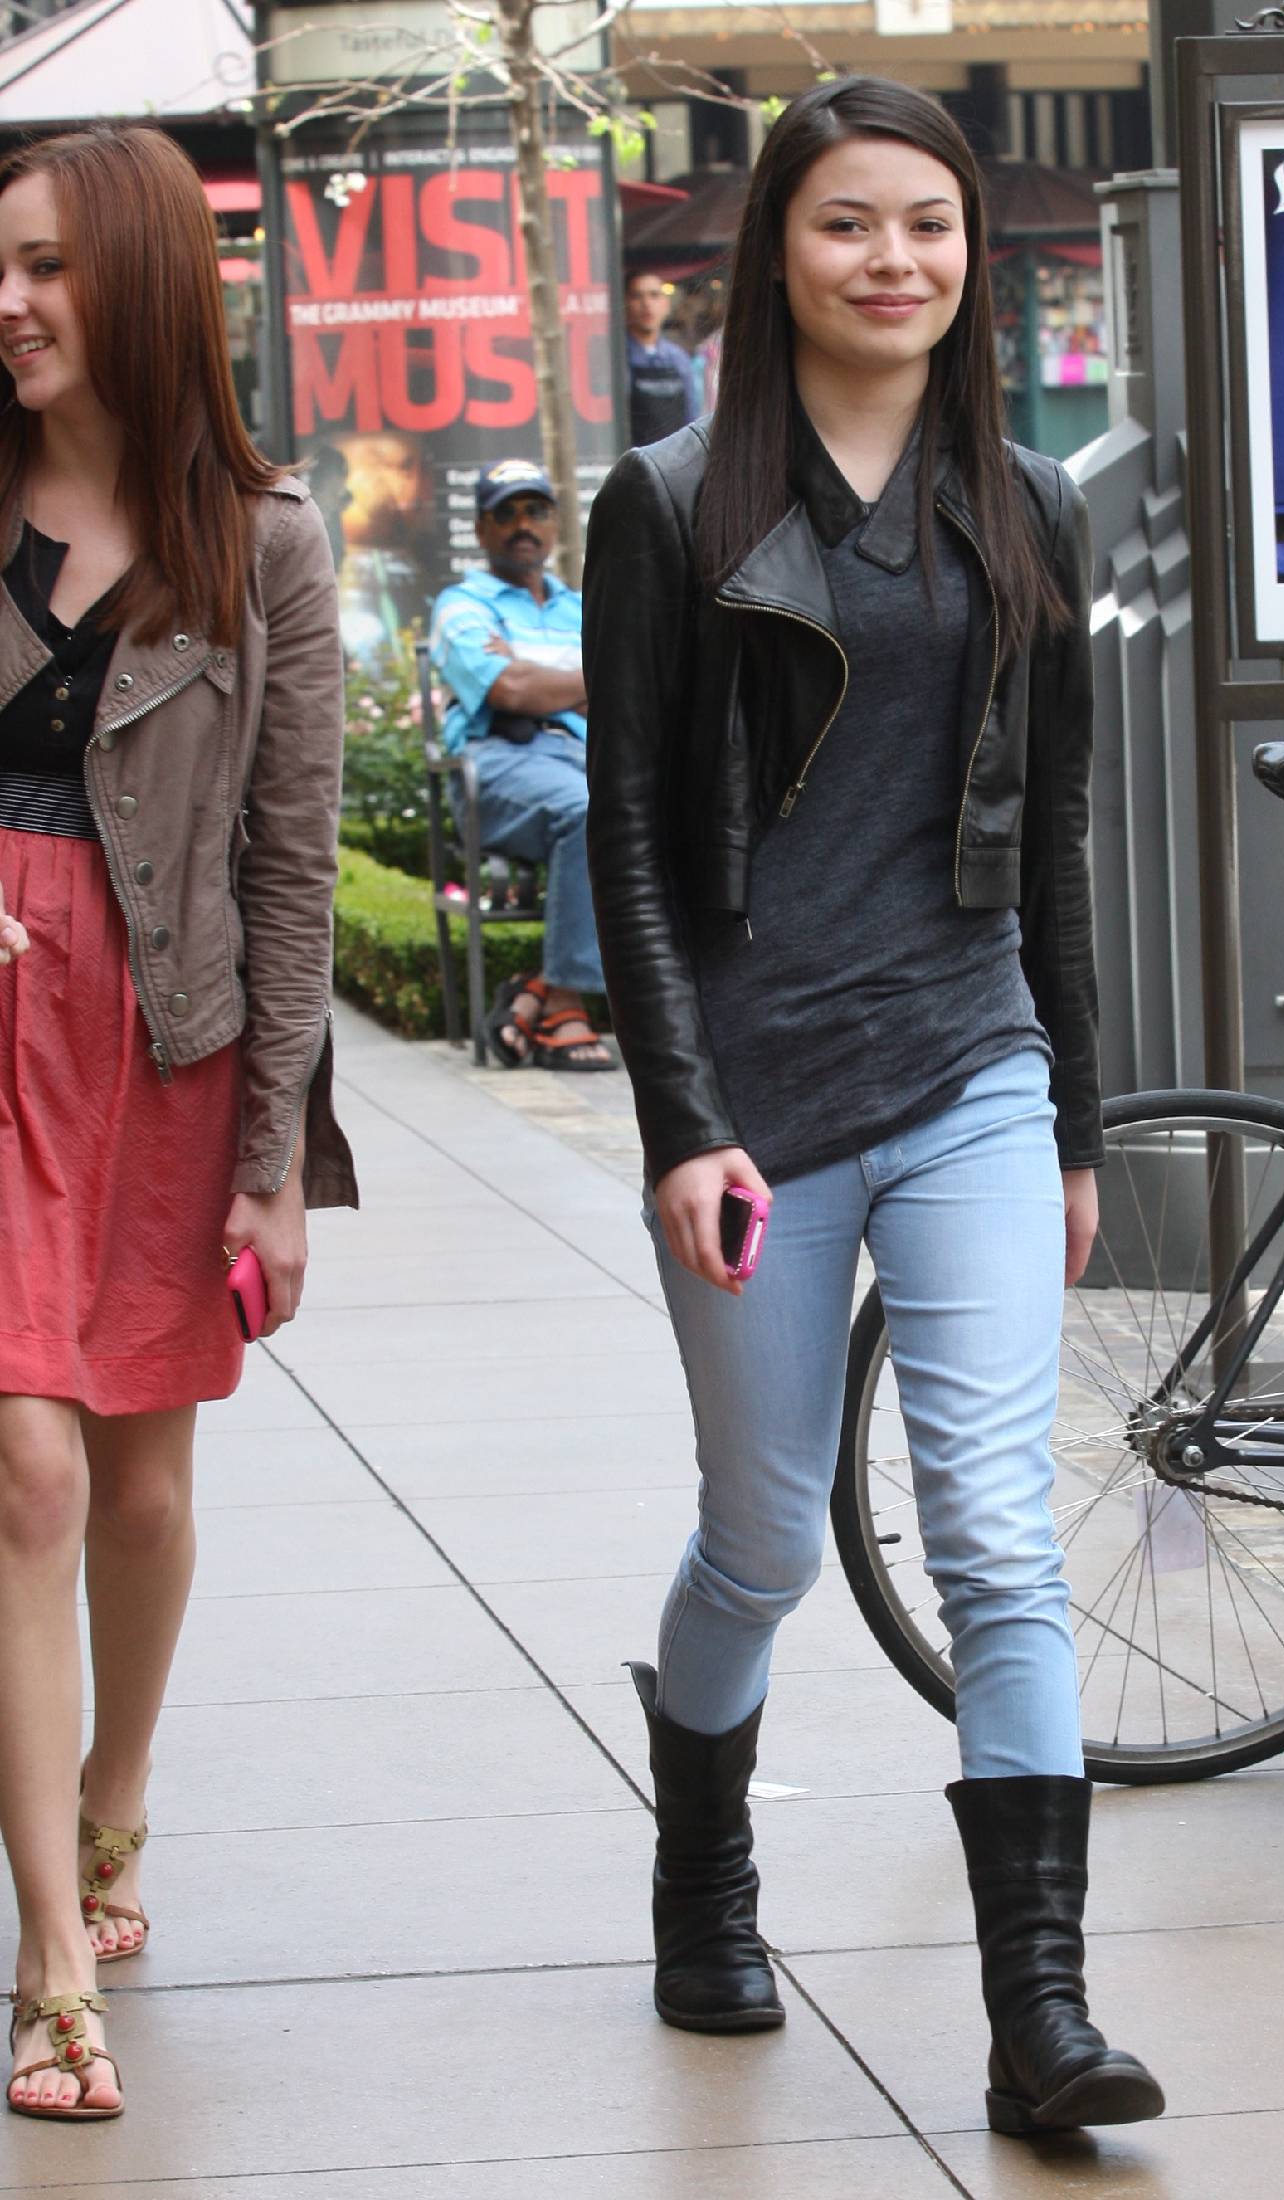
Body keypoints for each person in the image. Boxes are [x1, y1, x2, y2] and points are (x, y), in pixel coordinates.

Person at [583, 76, 1165, 2139]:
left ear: (969, 254)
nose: (892, 258)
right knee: (759, 1542)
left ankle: (1040, 2018)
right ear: (778, 250)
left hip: (967, 1063)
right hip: (755, 1099)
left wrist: (1071, 1117)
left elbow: (1053, 833)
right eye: (846, 222)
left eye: (927, 222)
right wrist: (680, 1118)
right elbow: (630, 838)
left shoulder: (1027, 503)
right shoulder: (667, 504)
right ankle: (701, 1874)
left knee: (994, 1532)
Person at [0, 124, 355, 2123]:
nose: (11, 302)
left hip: (165, 1041)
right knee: (27, 1468)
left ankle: (113, 1786)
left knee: (137, 1486)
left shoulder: (262, 542)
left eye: (46, 264)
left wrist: (272, 1164)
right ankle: (52, 1957)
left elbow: (289, 866)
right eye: (0, 266)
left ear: (139, 278)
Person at [429, 459, 612, 1070]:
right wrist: (590, 679)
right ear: (482, 529)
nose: (522, 525)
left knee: (678, 813)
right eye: (505, 513)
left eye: (535, 510)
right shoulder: (461, 606)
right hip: (497, 764)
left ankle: (533, 993)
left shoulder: (582, 608)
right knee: (589, 811)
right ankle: (563, 1003)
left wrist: (537, 675)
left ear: (556, 523)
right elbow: (507, 691)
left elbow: (639, 687)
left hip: (583, 756)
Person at [624, 269, 697, 448]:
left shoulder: (678, 359)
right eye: (637, 296)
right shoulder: (618, 359)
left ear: (666, 305)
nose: (647, 304)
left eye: (654, 295)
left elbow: (692, 417)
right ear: (625, 304)